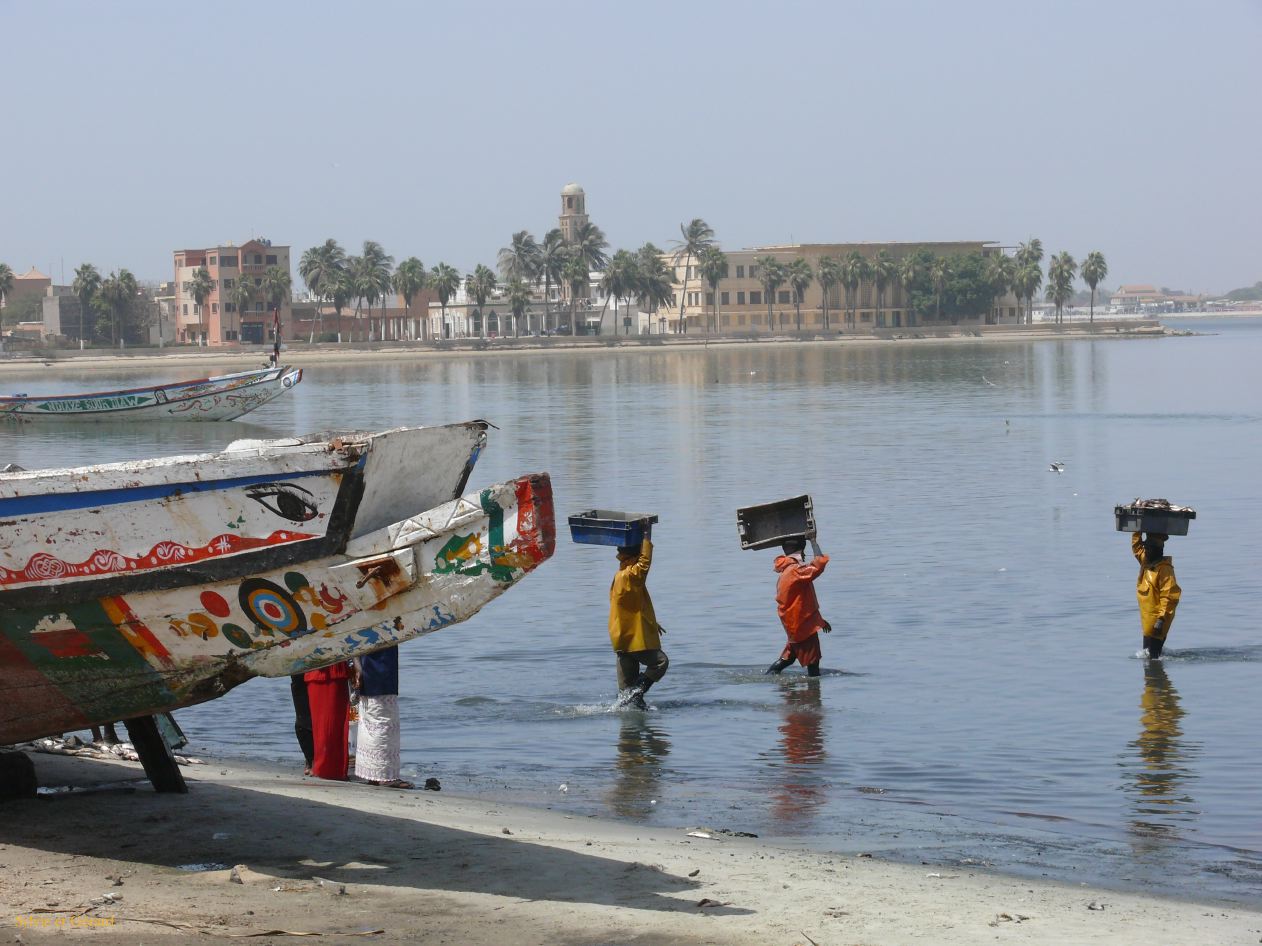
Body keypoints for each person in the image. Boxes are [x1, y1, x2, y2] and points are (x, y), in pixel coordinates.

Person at [609, 530, 667, 710]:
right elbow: (644, 564)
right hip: (635, 641)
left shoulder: (620, 577)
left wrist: (651, 622)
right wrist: (647, 535)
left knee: (625, 699)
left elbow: (630, 607)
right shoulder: (630, 576)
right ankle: (638, 691)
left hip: (621, 641)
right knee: (660, 662)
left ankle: (633, 698)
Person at [765, 536, 831, 677]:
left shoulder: (787, 571)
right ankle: (813, 695)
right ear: (801, 553)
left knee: (788, 659)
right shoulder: (795, 571)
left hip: (795, 624)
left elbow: (800, 602)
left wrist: (819, 621)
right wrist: (813, 541)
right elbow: (818, 565)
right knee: (813, 662)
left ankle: (768, 679)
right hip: (802, 626)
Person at [353, 646, 413, 789]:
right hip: (380, 672)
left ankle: (372, 774)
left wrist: (357, 667)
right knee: (383, 723)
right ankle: (385, 776)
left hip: (370, 670)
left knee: (370, 722)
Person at [1132, 531, 1181, 658]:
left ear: (1157, 550)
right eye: (1145, 547)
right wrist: (1137, 529)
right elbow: (1137, 548)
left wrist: (1161, 619)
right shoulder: (1146, 563)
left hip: (1158, 621)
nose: (1145, 550)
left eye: (1148, 548)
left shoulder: (1164, 569)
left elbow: (1169, 596)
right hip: (1148, 621)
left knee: (1152, 658)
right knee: (1149, 656)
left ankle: (1157, 676)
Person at [304, 661, 352, 780]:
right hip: (329, 668)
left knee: (326, 724)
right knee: (331, 723)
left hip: (325, 667)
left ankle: (326, 767)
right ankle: (329, 769)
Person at [290, 673, 314, 776]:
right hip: (299, 674)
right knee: (302, 721)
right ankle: (310, 759)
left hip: (317, 671)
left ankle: (313, 760)